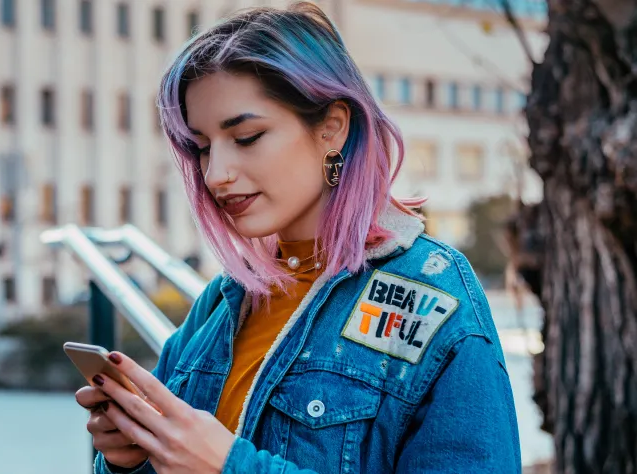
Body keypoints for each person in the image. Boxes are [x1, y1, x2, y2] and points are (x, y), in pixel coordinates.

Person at [75, 3, 521, 473]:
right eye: (203, 148)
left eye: (246, 137)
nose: (216, 174)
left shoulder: (434, 298)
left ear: (332, 128)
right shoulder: (224, 300)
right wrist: (131, 459)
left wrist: (232, 467)